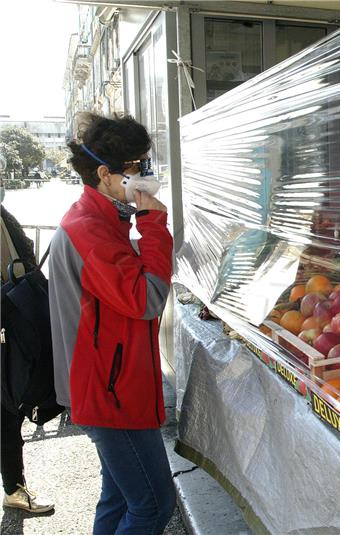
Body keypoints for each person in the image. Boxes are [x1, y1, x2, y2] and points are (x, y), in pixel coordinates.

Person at [48, 113, 175, 534]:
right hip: (109, 391)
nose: (147, 175)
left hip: (109, 381)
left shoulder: (101, 218)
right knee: (153, 503)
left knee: (120, 496)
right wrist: (154, 224)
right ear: (105, 173)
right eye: (138, 167)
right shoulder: (90, 229)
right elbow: (146, 299)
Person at [0, 201, 56, 514]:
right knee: (7, 410)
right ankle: (12, 487)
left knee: (8, 409)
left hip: (11, 322)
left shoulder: (3, 213)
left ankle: (13, 487)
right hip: (7, 323)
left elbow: (25, 262)